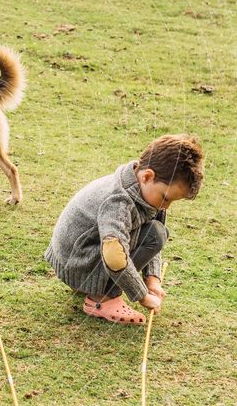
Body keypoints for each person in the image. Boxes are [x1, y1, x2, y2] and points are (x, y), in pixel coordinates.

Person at [45, 134, 204, 325]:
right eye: (166, 198)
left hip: (82, 259)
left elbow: (151, 228)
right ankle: (101, 299)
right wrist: (142, 295)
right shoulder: (119, 202)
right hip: (77, 263)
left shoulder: (144, 190)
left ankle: (96, 286)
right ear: (147, 176)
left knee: (156, 231)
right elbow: (114, 255)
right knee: (155, 235)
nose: (166, 206)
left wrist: (152, 279)